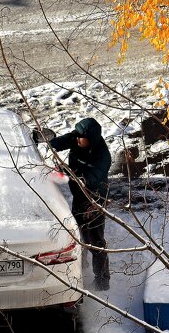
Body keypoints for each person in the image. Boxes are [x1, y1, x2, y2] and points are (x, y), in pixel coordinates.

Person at [35, 117, 112, 290]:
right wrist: (45, 140)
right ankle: (81, 270)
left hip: (94, 200)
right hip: (79, 197)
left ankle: (102, 282)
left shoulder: (103, 156)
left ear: (91, 138)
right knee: (78, 236)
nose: (77, 140)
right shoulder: (77, 138)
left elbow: (91, 180)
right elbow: (56, 143)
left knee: (95, 241)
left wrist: (69, 172)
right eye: (76, 136)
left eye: (81, 138)